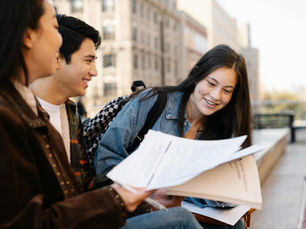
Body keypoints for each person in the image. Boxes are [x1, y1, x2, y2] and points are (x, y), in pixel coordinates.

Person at [0, 1, 204, 228]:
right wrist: (118, 197)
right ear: (28, 36)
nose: (58, 40)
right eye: (53, 27)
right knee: (181, 220)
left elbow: (77, 191)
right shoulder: (10, 116)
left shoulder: (59, 112)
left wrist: (138, 195)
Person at [95, 44, 251, 229]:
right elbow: (105, 161)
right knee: (181, 218)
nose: (216, 96)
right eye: (211, 83)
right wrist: (149, 194)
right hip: (134, 209)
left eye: (227, 90)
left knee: (235, 226)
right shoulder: (151, 101)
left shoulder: (223, 130)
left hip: (186, 210)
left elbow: (224, 194)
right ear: (197, 75)